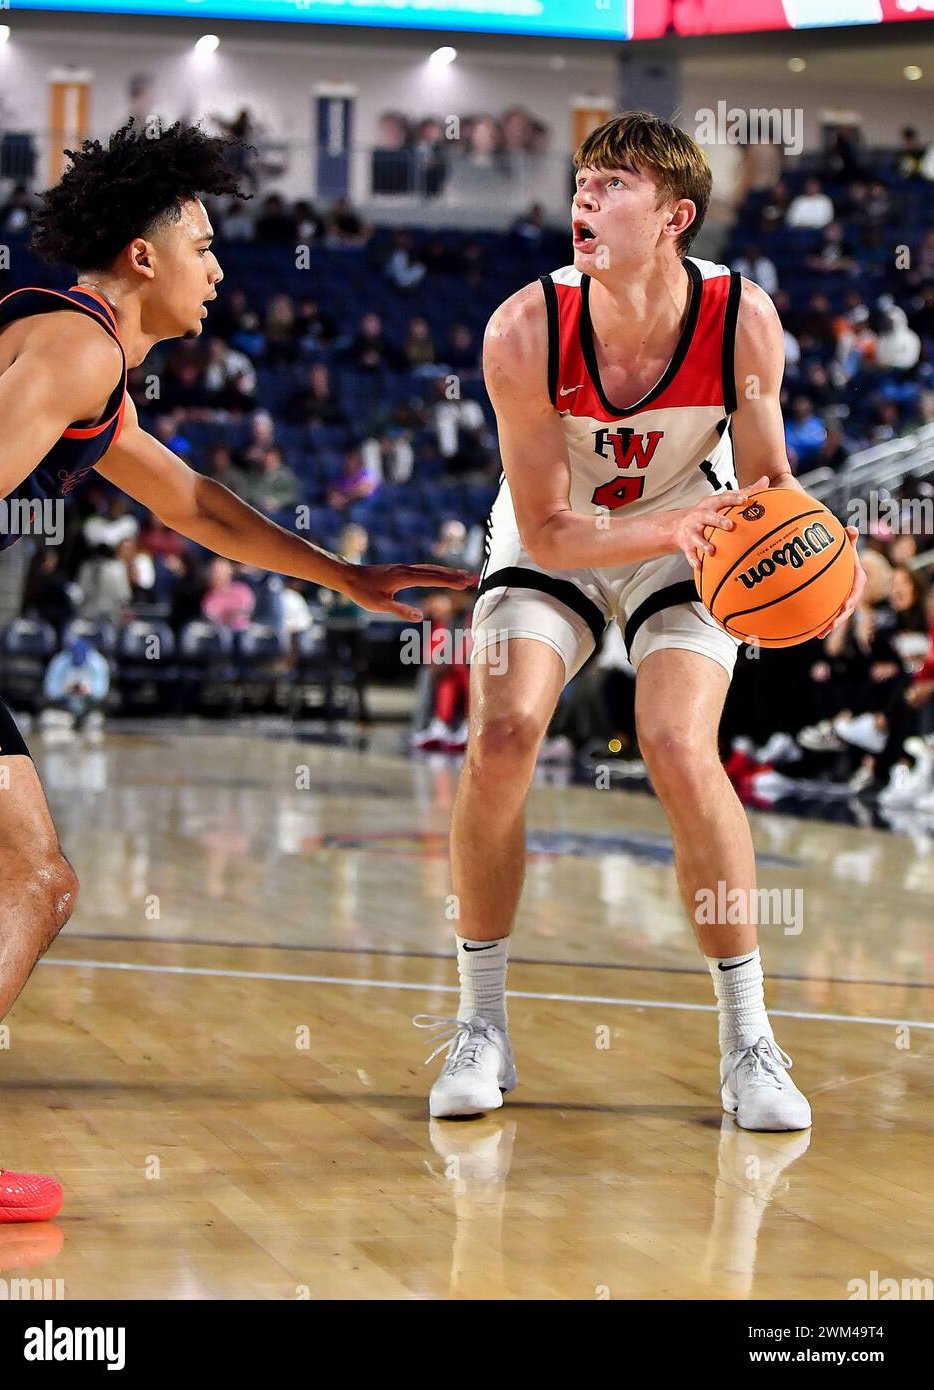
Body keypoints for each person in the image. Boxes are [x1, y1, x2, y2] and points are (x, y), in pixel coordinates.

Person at [0, 118, 469, 1221]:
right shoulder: (79, 348)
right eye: (201, 245)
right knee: (33, 878)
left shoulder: (89, 366)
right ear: (143, 258)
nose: (219, 268)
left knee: (34, 877)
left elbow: (193, 502)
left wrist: (343, 575)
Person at [417, 112, 864, 1132]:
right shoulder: (523, 328)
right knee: (501, 734)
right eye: (583, 181)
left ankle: (749, 1038)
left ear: (676, 216)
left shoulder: (742, 317)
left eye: (614, 184)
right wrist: (678, 520)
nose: (585, 197)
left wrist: (814, 566)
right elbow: (551, 529)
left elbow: (769, 483)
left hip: (693, 534)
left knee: (673, 739)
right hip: (560, 533)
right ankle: (481, 1023)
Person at [39, 636, 110, 744]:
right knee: (48, 721)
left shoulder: (98, 663)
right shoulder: (60, 661)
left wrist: (88, 691)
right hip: (64, 708)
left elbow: (101, 693)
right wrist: (65, 690)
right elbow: (50, 692)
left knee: (95, 727)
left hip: (88, 709)